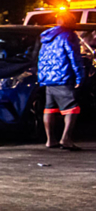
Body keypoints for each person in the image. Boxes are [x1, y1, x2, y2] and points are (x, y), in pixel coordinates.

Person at [38, 10, 87, 150]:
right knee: (72, 108)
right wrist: (80, 77)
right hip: (63, 76)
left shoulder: (47, 37)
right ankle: (66, 139)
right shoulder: (69, 36)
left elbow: (42, 57)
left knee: (49, 109)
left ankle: (50, 140)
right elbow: (74, 57)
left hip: (48, 78)